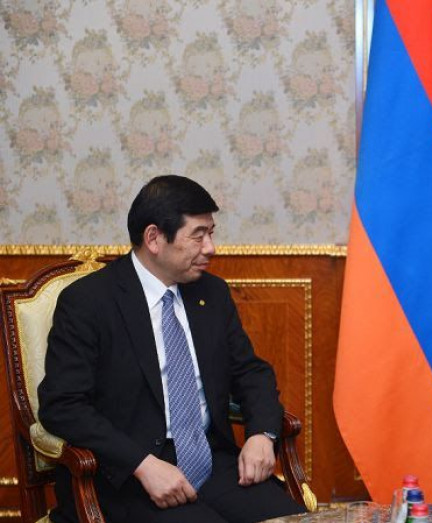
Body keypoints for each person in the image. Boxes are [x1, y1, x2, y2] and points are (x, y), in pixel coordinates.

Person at [38, 175, 305, 523]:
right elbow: (62, 405)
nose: (210, 247)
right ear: (154, 238)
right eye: (198, 235)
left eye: (211, 233)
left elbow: (251, 372)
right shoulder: (89, 301)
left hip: (212, 462)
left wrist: (261, 435)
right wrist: (142, 464)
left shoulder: (211, 293)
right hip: (127, 477)